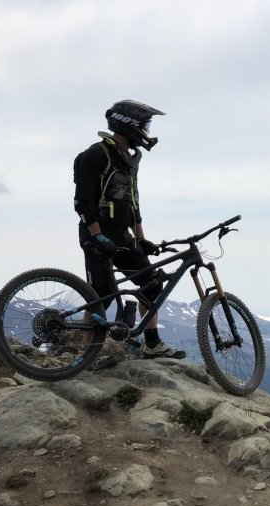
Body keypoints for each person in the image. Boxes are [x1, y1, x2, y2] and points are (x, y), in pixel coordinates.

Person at [73, 100, 185, 359]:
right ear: (130, 124)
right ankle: (88, 355)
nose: (147, 131)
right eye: (145, 125)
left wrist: (141, 238)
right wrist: (97, 234)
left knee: (151, 284)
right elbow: (82, 201)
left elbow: (133, 202)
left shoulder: (130, 159)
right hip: (96, 233)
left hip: (122, 234)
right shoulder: (96, 154)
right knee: (100, 297)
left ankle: (152, 344)